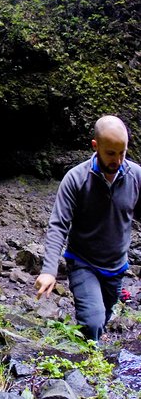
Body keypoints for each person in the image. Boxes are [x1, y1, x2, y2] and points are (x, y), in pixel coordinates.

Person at [35, 115, 141, 341]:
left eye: (122, 152)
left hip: (116, 266)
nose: (118, 160)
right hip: (83, 262)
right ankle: (87, 368)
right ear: (95, 146)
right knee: (93, 322)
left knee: (103, 318)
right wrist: (49, 270)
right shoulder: (76, 179)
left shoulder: (136, 176)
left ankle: (91, 359)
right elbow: (58, 225)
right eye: (111, 153)